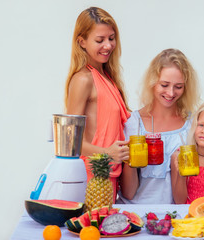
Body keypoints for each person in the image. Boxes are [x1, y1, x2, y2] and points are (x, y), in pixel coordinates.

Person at [64, 7, 131, 202]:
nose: (108, 45)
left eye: (111, 38)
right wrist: (107, 153)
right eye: (99, 40)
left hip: (110, 176)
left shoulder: (108, 78)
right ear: (82, 42)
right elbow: (70, 142)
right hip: (91, 178)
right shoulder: (83, 79)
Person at [118, 48, 200, 204]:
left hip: (175, 216)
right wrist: (130, 158)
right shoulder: (134, 123)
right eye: (164, 84)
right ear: (152, 82)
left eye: (178, 86)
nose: (170, 93)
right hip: (133, 213)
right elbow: (128, 193)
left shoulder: (192, 125)